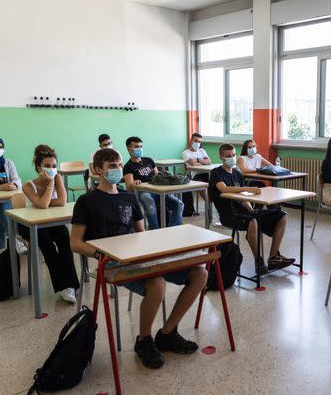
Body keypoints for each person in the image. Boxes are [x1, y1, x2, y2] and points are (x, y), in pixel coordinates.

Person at [70, 148, 207, 369]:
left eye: (119, 164)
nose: (117, 169)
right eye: (111, 166)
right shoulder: (87, 201)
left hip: (137, 257)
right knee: (157, 283)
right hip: (112, 264)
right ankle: (144, 340)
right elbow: (75, 242)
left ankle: (168, 333)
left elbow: (142, 234)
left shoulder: (128, 196)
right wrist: (100, 253)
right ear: (97, 170)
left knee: (200, 273)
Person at [209, 143, 294, 274]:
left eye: (233, 155)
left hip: (244, 212)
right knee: (252, 222)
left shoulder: (237, 174)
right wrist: (248, 188)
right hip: (229, 215)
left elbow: (243, 198)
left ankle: (273, 257)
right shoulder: (216, 173)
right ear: (221, 157)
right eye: (228, 156)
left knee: (281, 215)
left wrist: (250, 208)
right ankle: (258, 262)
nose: (231, 158)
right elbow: (224, 189)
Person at [19, 145, 80, 303]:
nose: (51, 169)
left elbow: (62, 201)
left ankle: (70, 286)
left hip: (51, 220)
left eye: (54, 166)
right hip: (30, 224)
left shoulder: (58, 177)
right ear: (38, 167)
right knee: (47, 245)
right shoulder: (28, 185)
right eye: (47, 166)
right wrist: (49, 186)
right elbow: (44, 205)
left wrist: (42, 201)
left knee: (65, 239)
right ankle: (65, 287)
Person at [123, 136, 184, 228]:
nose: (139, 148)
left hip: (157, 189)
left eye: (140, 146)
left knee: (179, 204)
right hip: (142, 192)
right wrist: (134, 183)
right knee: (149, 201)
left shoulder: (149, 160)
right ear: (128, 148)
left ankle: (172, 229)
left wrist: (165, 175)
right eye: (136, 146)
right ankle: (154, 229)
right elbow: (129, 186)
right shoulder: (128, 166)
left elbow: (158, 176)